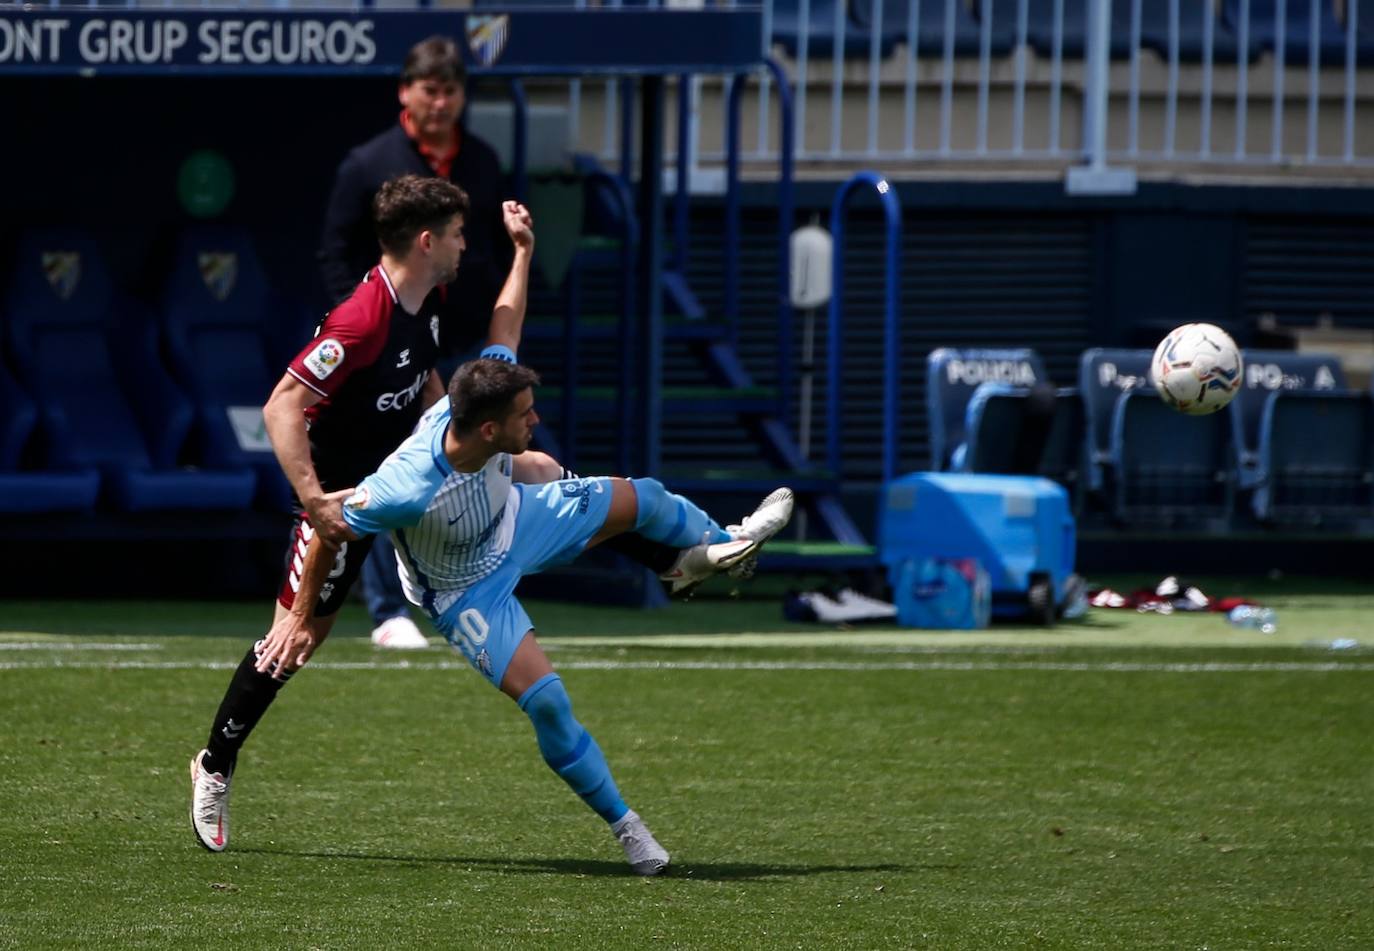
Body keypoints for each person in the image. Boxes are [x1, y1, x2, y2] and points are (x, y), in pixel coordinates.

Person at [245, 357, 795, 874]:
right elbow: (327, 527)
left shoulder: (482, 397)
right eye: (524, 414)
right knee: (548, 701)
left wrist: (523, 257)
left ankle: (727, 544)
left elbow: (506, 323)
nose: (535, 418)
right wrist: (297, 616)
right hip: (464, 592)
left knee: (644, 497)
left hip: (518, 520)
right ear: (489, 430)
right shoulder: (407, 486)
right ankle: (629, 829)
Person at [188, 176, 534, 851]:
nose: (467, 245)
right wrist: (317, 502)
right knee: (293, 640)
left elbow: (425, 374)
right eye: (459, 234)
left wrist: (439, 429)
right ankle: (214, 763)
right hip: (346, 498)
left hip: (403, 474)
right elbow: (281, 405)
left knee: (537, 471)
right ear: (428, 241)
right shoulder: (361, 319)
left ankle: (665, 543)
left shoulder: (427, 296)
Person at [318, 35, 509, 650]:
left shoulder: (480, 160)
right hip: (389, 348)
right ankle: (387, 612)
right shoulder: (369, 162)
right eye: (429, 89)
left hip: (462, 342)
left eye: (451, 89)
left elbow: (495, 250)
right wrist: (374, 321)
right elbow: (334, 251)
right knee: (394, 468)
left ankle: (471, 585)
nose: (440, 102)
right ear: (406, 91)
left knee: (485, 458)